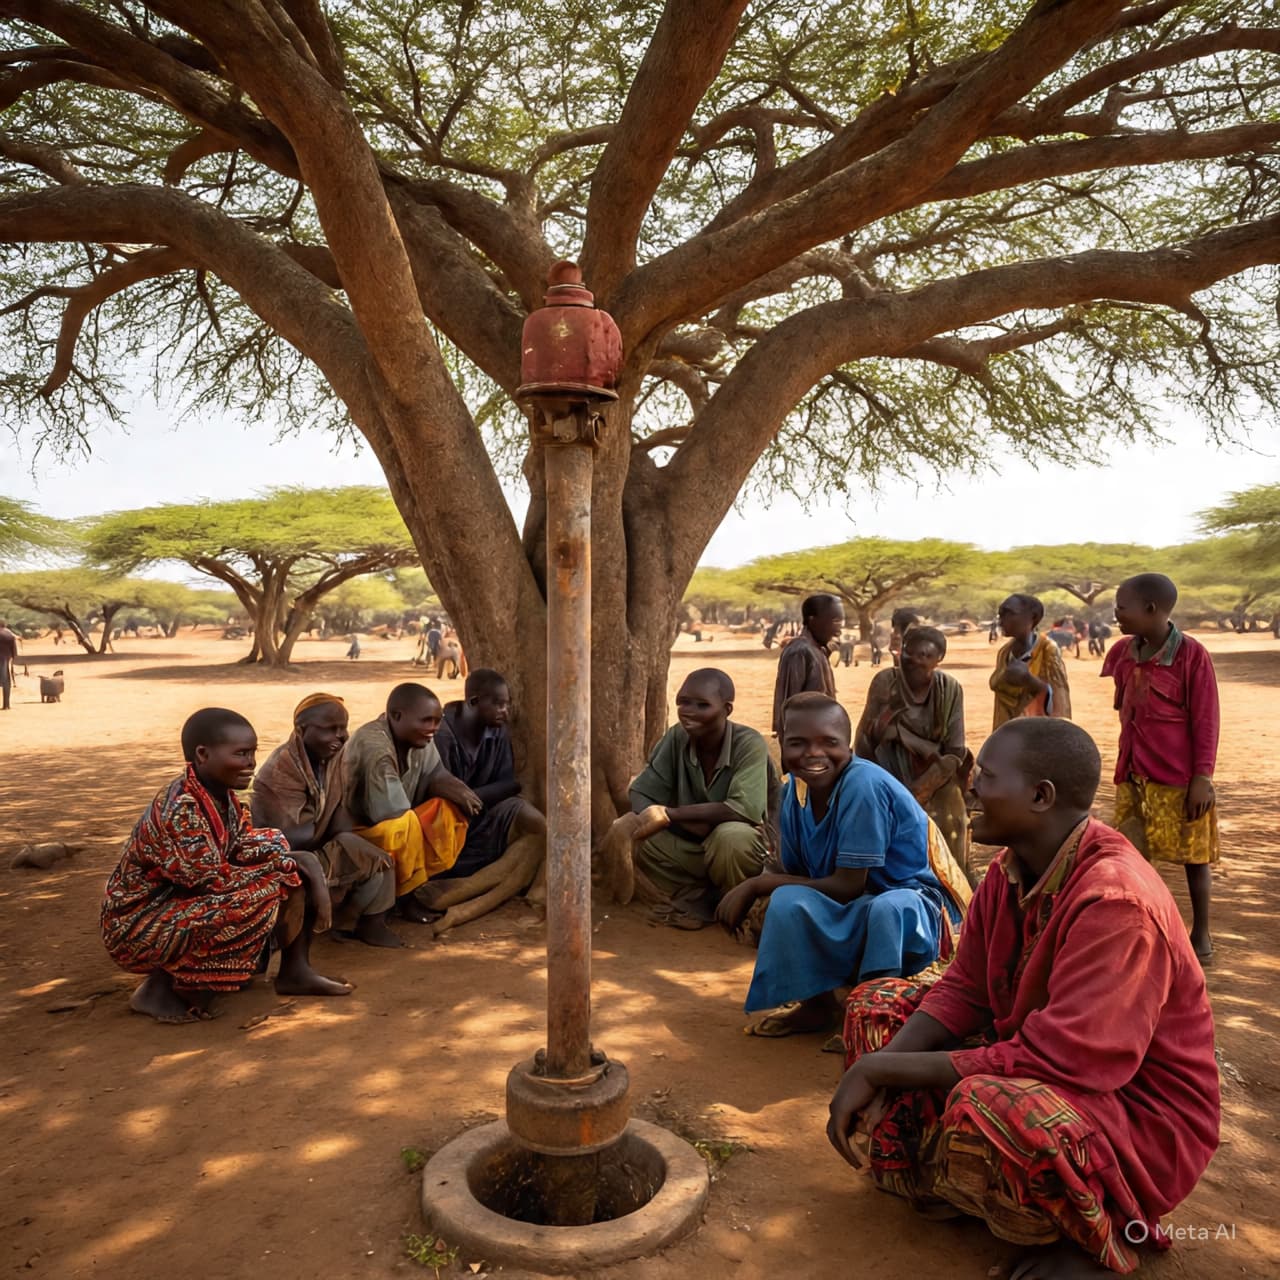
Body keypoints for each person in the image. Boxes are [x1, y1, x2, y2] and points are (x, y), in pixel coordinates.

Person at [828, 718, 1219, 1278]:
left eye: (985, 776)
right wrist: (883, 1067)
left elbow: (1069, 1059)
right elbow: (964, 986)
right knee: (877, 1008)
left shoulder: (1116, 902)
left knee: (991, 1105)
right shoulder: (1010, 868)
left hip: (1136, 1117)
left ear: (1041, 796)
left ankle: (1094, 1234)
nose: (969, 788)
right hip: (1043, 1061)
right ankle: (953, 1181)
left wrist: (886, 1069)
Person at [717, 693, 968, 1037]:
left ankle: (872, 1018)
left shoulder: (862, 786)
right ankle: (816, 1007)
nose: (813, 754)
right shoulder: (796, 792)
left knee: (887, 908)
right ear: (781, 743)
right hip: (858, 902)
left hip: (913, 905)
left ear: (848, 746)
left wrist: (755, 885)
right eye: (797, 743)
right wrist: (764, 890)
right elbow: (798, 875)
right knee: (788, 902)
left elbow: (849, 884)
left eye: (828, 742)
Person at [100, 708, 352, 1023]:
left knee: (289, 871)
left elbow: (241, 846)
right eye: (242, 754)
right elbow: (211, 880)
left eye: (253, 753)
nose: (252, 763)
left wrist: (297, 860)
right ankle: (158, 988)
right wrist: (297, 864)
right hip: (136, 927)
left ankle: (295, 972)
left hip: (175, 908)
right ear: (203, 754)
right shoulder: (181, 808)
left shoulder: (220, 796)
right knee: (263, 890)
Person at [1104, 573, 1220, 963]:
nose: (1116, 614)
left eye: (1122, 607)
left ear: (1150, 609)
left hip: (1179, 779)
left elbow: (1206, 719)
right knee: (1131, 855)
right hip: (1133, 774)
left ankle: (1201, 932)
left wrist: (1202, 778)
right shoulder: (1122, 652)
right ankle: (1140, 928)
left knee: (1194, 856)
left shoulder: (1190, 655)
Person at [602, 668, 772, 927]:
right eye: (683, 702)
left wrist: (671, 815)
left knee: (730, 838)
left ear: (727, 710)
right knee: (624, 830)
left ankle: (734, 900)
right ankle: (699, 893)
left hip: (736, 849)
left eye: (702, 705)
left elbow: (742, 810)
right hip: (690, 844)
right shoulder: (677, 736)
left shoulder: (749, 744)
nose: (688, 711)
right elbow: (641, 792)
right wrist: (663, 819)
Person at [251, 693, 401, 948]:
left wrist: (336, 831)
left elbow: (340, 819)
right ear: (302, 730)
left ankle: (365, 924)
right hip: (283, 857)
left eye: (343, 727)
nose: (342, 737)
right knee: (348, 849)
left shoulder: (332, 759)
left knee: (380, 861)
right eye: (330, 729)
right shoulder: (281, 769)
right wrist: (335, 831)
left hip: (317, 843)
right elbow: (294, 836)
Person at [343, 683, 480, 922]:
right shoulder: (375, 748)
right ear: (396, 716)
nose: (433, 728)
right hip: (359, 832)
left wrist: (458, 790)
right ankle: (398, 900)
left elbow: (435, 773)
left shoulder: (419, 739)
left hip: (398, 822)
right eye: (427, 721)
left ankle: (411, 889)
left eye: (437, 721)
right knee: (405, 829)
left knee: (447, 811)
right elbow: (391, 812)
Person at [854, 625, 972, 877]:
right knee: (874, 826)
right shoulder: (886, 681)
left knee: (950, 823)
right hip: (886, 771)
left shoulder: (949, 689)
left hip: (936, 774)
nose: (914, 661)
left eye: (925, 656)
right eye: (909, 653)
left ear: (939, 660)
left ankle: (951, 888)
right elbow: (867, 737)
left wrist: (920, 790)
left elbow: (954, 751)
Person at [431, 669, 547, 880]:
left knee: (536, 823)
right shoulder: (441, 734)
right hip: (445, 823)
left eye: (507, 704)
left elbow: (509, 784)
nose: (505, 711)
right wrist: (465, 797)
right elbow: (440, 794)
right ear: (474, 702)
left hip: (482, 815)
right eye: (498, 704)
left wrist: (468, 796)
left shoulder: (497, 731)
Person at [989, 593, 1072, 729]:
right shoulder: (1005, 652)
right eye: (1000, 614)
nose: (1001, 621)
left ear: (1033, 617)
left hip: (1037, 735)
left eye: (1009, 614)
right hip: (1008, 733)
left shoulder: (1047, 650)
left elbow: (1059, 702)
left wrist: (1029, 681)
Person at [771, 593, 842, 735]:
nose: (838, 631)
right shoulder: (800, 652)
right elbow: (791, 708)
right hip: (807, 740)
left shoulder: (817, 650)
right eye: (834, 621)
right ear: (812, 621)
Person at [0, 619, 17, 710]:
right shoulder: (9, 635)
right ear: (4, 625)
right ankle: (6, 705)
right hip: (5, 661)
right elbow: (14, 651)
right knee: (6, 683)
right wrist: (13, 659)